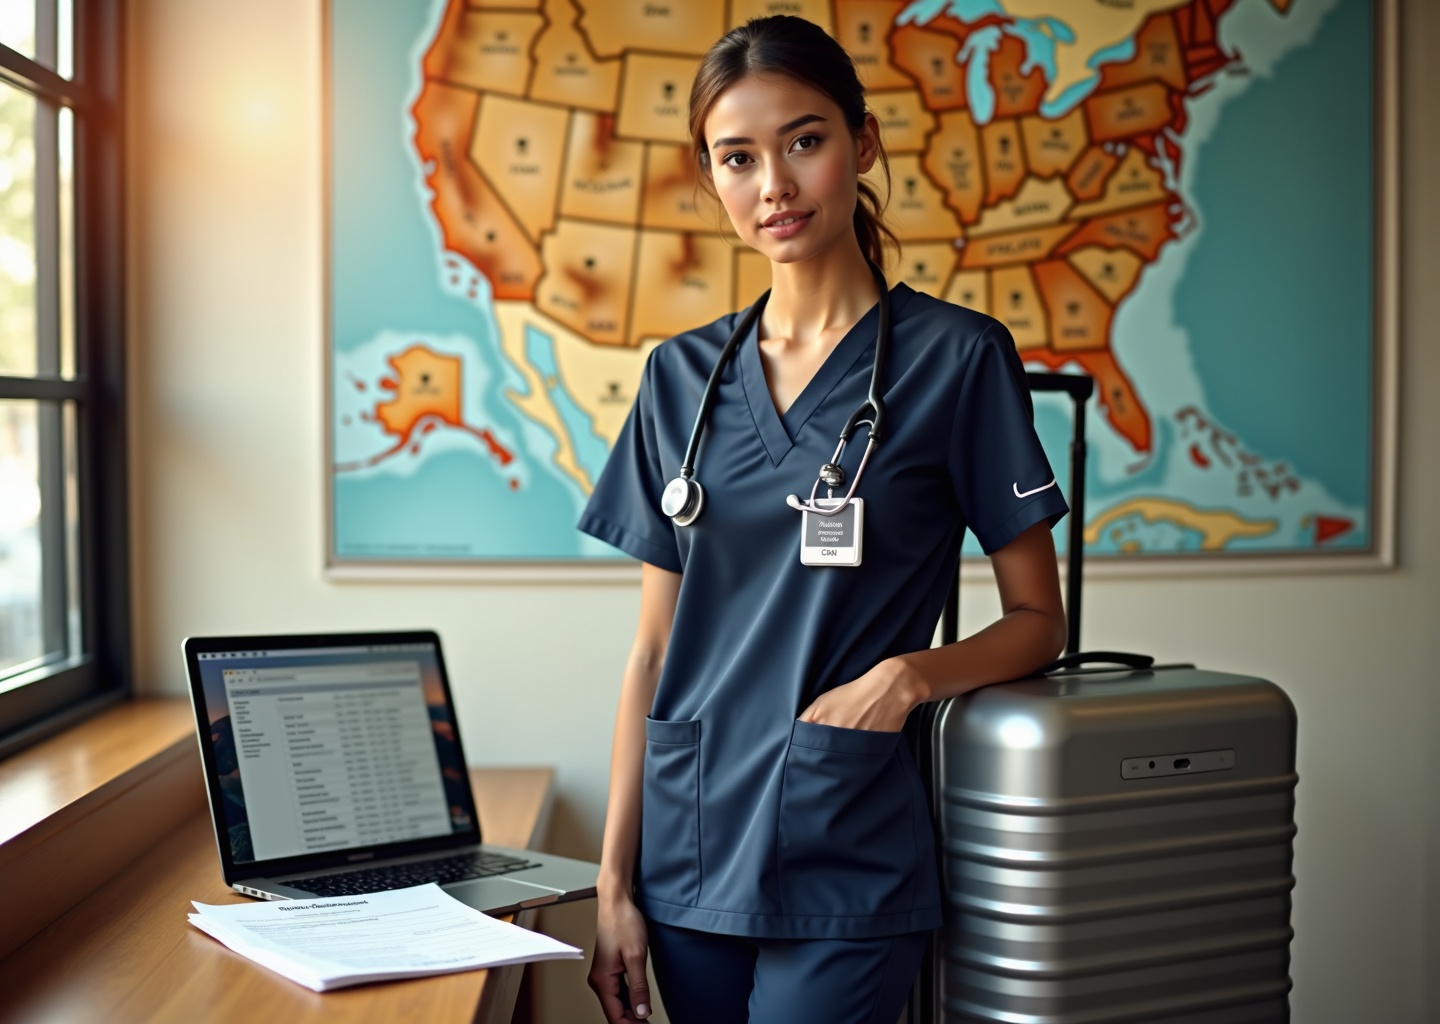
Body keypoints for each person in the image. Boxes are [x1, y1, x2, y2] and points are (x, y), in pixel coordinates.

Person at [576, 15, 1069, 1024]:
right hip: (689, 850)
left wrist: (907, 677)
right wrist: (613, 884)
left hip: (846, 844)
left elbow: (1038, 620)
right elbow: (651, 651)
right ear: (711, 177)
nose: (775, 186)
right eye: (739, 157)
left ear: (863, 143)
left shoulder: (958, 360)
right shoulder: (679, 378)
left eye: (805, 141)